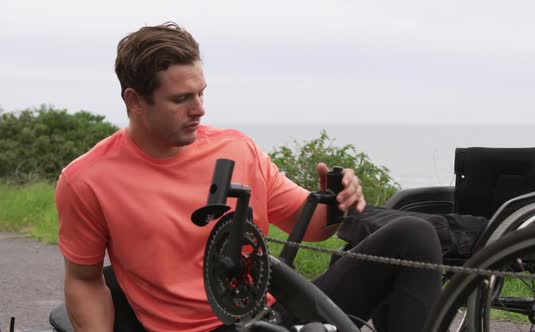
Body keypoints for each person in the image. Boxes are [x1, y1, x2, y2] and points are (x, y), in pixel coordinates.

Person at [56, 22, 442, 332]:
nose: (200, 110)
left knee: (412, 234)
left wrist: (338, 200)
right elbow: (85, 280)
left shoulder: (238, 149)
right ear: (134, 100)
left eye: (201, 94)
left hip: (275, 317)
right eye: (181, 99)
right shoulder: (87, 179)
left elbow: (312, 226)